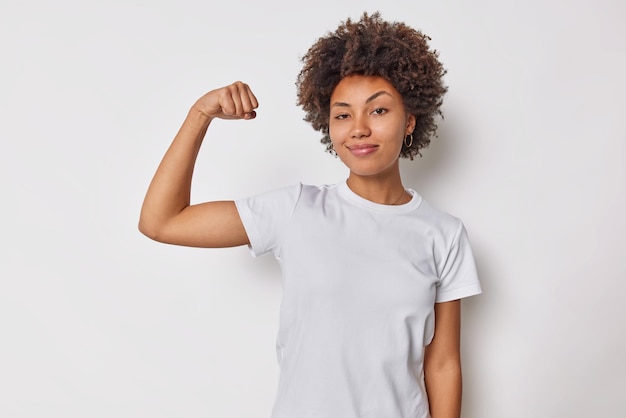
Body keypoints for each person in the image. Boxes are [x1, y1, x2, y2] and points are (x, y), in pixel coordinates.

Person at [139, 11, 481, 418]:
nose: (358, 128)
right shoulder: (295, 210)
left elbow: (442, 364)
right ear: (328, 125)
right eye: (342, 114)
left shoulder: (443, 234)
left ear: (410, 121)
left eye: (378, 111)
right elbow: (161, 221)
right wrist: (200, 114)